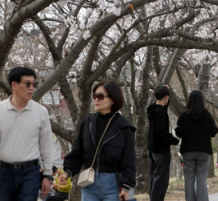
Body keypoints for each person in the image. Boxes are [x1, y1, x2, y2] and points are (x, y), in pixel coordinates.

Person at [61, 80, 136, 201]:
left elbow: (129, 160)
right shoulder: (88, 122)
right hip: (89, 182)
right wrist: (67, 172)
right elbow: (78, 151)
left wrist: (127, 187)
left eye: (100, 96)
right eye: (94, 96)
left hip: (114, 184)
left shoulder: (124, 127)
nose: (96, 99)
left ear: (112, 99)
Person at [0, 67, 53, 201]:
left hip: (30, 173)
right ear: (14, 85)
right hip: (3, 173)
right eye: (27, 83)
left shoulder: (41, 112)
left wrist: (47, 175)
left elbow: (46, 146)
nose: (32, 88)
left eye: (34, 84)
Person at [175, 90, 218, 201]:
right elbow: (214, 131)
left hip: (188, 151)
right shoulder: (207, 115)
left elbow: (179, 132)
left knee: (189, 178)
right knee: (201, 178)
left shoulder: (184, 116)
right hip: (204, 151)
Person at [147, 85, 180, 201]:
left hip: (151, 148)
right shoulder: (162, 113)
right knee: (161, 179)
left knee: (153, 176)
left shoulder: (151, 109)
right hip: (161, 149)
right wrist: (175, 140)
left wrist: (166, 92)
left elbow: (163, 106)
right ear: (166, 97)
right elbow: (160, 131)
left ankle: (153, 198)